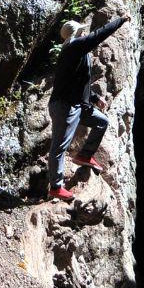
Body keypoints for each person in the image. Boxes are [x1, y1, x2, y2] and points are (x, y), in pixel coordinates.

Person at [47, 11, 131, 201]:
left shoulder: (77, 53)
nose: (84, 33)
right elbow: (98, 35)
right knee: (59, 146)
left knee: (101, 121)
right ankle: (56, 186)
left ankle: (84, 155)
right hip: (65, 107)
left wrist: (94, 98)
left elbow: (78, 82)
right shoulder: (73, 48)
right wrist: (120, 21)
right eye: (81, 31)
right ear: (75, 34)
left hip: (77, 105)